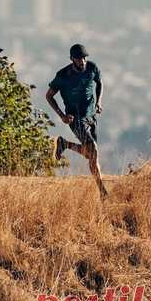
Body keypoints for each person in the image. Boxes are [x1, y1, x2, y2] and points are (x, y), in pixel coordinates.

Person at [46, 43, 108, 199]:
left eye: (84, 58)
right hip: (75, 118)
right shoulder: (63, 76)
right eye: (79, 59)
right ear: (72, 59)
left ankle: (64, 144)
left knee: (91, 155)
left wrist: (99, 102)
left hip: (91, 116)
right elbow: (49, 96)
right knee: (93, 149)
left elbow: (100, 83)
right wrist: (61, 115)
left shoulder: (92, 68)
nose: (83, 61)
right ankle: (102, 191)